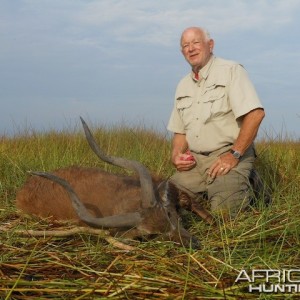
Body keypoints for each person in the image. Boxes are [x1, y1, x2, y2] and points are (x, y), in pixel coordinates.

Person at [167, 27, 265, 217]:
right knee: (164, 202)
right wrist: (176, 154)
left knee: (222, 213)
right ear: (182, 52)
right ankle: (212, 192)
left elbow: (255, 114)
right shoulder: (182, 85)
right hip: (196, 163)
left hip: (228, 156)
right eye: (186, 45)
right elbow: (180, 132)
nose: (191, 48)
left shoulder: (231, 71)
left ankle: (251, 184)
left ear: (210, 45)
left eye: (196, 42)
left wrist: (234, 154)